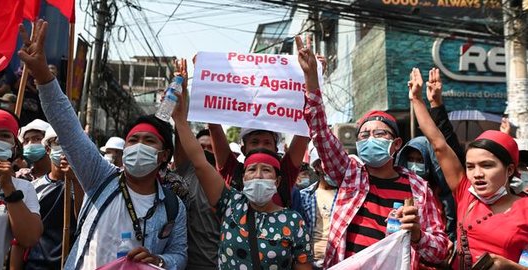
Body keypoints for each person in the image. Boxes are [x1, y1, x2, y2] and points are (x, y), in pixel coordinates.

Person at [18, 20, 187, 270]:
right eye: (133, 140)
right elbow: (67, 126)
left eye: (149, 141)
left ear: (163, 156)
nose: (138, 146)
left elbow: (180, 254)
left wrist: (159, 260)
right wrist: (43, 75)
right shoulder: (100, 177)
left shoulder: (174, 207)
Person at [296, 35, 448, 268]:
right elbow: (320, 131)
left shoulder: (418, 188)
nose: (370, 139)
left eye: (379, 134)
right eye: (364, 136)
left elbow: (440, 251)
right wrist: (311, 79)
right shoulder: (349, 173)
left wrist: (418, 235)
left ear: (396, 144)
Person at [171, 84, 312, 270]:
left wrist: (312, 84)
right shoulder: (230, 204)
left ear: (278, 181)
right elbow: (199, 162)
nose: (259, 176)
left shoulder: (295, 221)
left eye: (267, 170)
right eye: (252, 170)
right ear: (243, 177)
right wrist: (180, 120)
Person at [410, 67, 528, 269]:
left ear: (509, 170)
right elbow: (439, 145)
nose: (477, 174)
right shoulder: (465, 192)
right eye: (470, 167)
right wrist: (417, 100)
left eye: (487, 165)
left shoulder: (525, 208)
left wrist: (509, 267)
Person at [10, 126, 81, 269]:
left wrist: (75, 181)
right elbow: (20, 239)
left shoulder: (86, 188)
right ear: (48, 149)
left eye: (70, 144)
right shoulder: (33, 187)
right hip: (36, 265)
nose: (64, 149)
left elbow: (83, 220)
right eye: (58, 143)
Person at [0, 108, 43, 269]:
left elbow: (29, 238)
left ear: (14, 147)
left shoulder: (22, 188)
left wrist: (8, 189)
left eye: (4, 136)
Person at [300, 145, 338, 269]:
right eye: (328, 162)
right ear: (317, 166)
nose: (334, 166)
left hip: (338, 262)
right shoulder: (304, 196)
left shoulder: (348, 197)